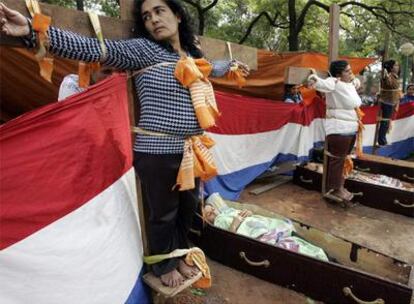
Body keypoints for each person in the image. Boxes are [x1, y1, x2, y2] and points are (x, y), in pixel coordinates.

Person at [0, 0, 249, 288]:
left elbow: (209, 68)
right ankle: (162, 264)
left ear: (177, 15)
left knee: (186, 208)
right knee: (163, 212)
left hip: (190, 150)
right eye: (146, 16)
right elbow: (93, 48)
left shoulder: (194, 54)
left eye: (159, 11)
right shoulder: (143, 51)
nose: (153, 19)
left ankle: (179, 252)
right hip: (157, 152)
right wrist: (32, 32)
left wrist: (229, 65)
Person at [203, 193, 329, 261]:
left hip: (265, 227)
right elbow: (231, 238)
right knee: (294, 246)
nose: (213, 212)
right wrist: (235, 223)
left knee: (289, 232)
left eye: (213, 208)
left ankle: (322, 255)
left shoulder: (228, 212)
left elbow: (248, 216)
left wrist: (249, 213)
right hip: (259, 235)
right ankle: (320, 258)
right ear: (205, 219)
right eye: (209, 213)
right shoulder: (218, 224)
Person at [307, 60, 362, 205]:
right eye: (347, 71)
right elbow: (319, 84)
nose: (351, 73)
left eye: (351, 70)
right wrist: (313, 78)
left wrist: (353, 79)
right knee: (337, 160)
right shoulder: (333, 83)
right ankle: (334, 188)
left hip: (351, 128)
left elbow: (357, 83)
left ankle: (340, 186)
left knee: (345, 159)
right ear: (338, 74)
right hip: (338, 129)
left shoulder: (349, 84)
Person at [377, 60, 401, 146]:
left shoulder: (396, 77)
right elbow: (386, 80)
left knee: (387, 122)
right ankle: (381, 141)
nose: (397, 67)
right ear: (391, 67)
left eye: (398, 65)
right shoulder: (388, 76)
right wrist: (385, 69)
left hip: (392, 102)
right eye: (395, 65)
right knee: (385, 122)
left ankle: (383, 139)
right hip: (386, 102)